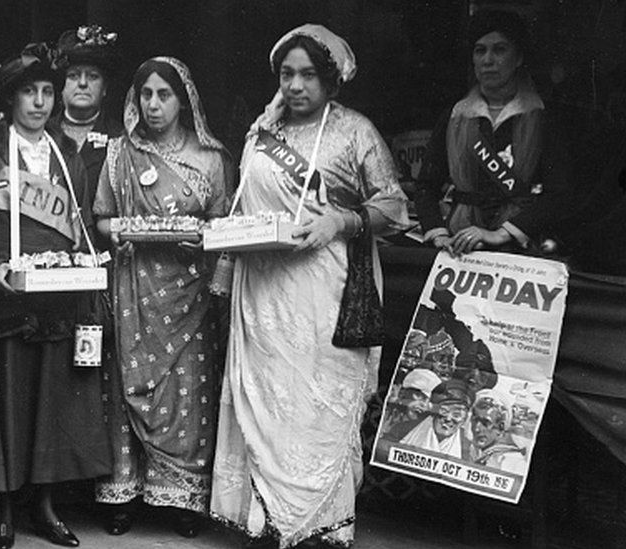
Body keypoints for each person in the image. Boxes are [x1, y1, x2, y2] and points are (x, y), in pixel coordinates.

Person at [209, 25, 410, 548]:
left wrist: (340, 223)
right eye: (286, 74)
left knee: (316, 398)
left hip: (324, 286)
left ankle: (319, 521)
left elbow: (395, 205)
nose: (296, 85)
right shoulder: (261, 132)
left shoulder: (354, 131)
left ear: (331, 80)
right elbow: (243, 202)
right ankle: (265, 519)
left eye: (308, 75)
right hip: (262, 286)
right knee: (266, 395)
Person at [0, 42, 111, 549]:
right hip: (1, 300)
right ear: (10, 101)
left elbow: (80, 223)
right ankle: (0, 504)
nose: (40, 102)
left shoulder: (66, 157)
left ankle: (43, 503)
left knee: (49, 405)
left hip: (54, 299)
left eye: (46, 92)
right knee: (3, 404)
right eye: (29, 93)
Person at [93, 56, 233, 538]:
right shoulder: (119, 154)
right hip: (136, 286)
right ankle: (124, 492)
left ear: (184, 99)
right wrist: (121, 234)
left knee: (185, 390)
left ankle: (182, 497)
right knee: (128, 380)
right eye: (145, 95)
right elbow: (103, 219)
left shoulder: (212, 160)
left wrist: (205, 238)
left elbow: (222, 227)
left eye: (163, 95)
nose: (153, 105)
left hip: (189, 293)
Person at [414, 9, 570, 256]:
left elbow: (558, 195)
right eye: (480, 50)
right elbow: (426, 187)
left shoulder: (542, 117)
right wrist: (438, 233)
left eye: (499, 50)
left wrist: (501, 234)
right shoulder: (455, 117)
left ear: (518, 58)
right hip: (460, 246)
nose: (488, 60)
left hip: (521, 246)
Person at [51, 25, 124, 218]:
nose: (82, 83)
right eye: (73, 76)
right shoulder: (42, 133)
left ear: (105, 88)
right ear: (60, 85)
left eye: (93, 76)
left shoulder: (121, 138)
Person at [389, 379, 476, 459]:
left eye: (456, 415)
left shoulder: (467, 446)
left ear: (463, 420)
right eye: (444, 411)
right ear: (434, 412)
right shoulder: (403, 430)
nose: (448, 419)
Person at [470, 389, 527, 474]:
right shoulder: (476, 452)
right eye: (475, 420)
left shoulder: (513, 462)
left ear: (501, 427)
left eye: (485, 423)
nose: (477, 428)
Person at [380, 367, 443, 435]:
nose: (424, 404)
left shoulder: (425, 428)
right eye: (420, 396)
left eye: (429, 400)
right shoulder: (386, 413)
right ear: (404, 392)